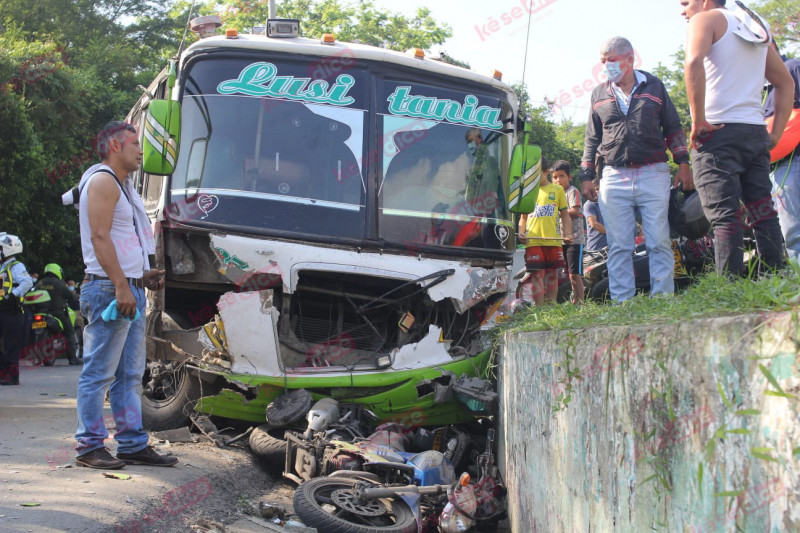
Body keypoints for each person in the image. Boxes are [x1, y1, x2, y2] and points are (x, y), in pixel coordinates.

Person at [75, 121, 175, 470]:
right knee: (99, 373)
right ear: (115, 145)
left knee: (130, 375)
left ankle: (132, 444)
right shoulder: (103, 181)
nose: (140, 152)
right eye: (135, 144)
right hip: (108, 289)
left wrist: (138, 276)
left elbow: (118, 240)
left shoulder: (122, 185)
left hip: (125, 286)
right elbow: (100, 238)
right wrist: (120, 284)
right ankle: (89, 446)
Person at [681, 0, 794, 276]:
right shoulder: (753, 26)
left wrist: (698, 120)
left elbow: (693, 61)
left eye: (685, 2)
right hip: (754, 132)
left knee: (724, 216)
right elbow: (785, 82)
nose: (682, 10)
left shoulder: (705, 20)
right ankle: (773, 277)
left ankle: (728, 288)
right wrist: (775, 133)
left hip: (718, 133)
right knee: (762, 211)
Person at [579, 36, 693, 302]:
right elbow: (591, 139)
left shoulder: (654, 86)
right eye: (602, 61)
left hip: (654, 173)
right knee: (619, 246)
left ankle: (663, 299)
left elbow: (673, 128)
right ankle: (623, 303)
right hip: (614, 175)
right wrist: (587, 176)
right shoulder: (598, 94)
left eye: (611, 60)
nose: (606, 66)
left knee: (658, 241)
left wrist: (684, 164)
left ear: (629, 59)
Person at [518, 162, 572, 305]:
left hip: (553, 240)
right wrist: (521, 232)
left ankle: (551, 307)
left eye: (537, 173)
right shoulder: (527, 192)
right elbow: (523, 218)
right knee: (537, 275)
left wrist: (568, 233)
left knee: (552, 275)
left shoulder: (557, 189)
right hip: (533, 241)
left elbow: (565, 214)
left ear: (546, 171)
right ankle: (539, 310)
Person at [763, 56, 800, 262]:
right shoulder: (763, 87)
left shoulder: (792, 68)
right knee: (793, 235)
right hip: (779, 165)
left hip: (791, 164)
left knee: (795, 235)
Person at [550, 161, 586, 303]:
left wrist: (557, 213)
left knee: (574, 274)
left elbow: (575, 211)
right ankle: (570, 301)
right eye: (555, 177)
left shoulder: (572, 191)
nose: (558, 180)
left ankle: (581, 304)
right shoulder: (554, 194)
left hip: (574, 239)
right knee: (561, 274)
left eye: (562, 176)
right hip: (559, 240)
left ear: (569, 177)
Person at [0, 233, 33, 385]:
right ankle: (4, 373)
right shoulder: (3, 267)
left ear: (7, 249)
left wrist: (13, 295)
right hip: (2, 309)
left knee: (11, 345)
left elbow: (27, 282)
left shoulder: (16, 266)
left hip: (12, 311)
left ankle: (12, 376)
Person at [33, 263, 81, 365]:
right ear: (57, 271)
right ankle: (72, 358)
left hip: (41, 312)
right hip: (58, 312)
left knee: (32, 332)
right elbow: (70, 297)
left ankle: (36, 357)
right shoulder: (60, 283)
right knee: (69, 332)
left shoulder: (40, 283)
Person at [583, 178, 608, 251]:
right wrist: (614, 234)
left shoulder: (610, 204)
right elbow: (594, 224)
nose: (598, 191)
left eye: (601, 189)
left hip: (611, 245)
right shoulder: (589, 204)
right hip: (596, 247)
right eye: (596, 189)